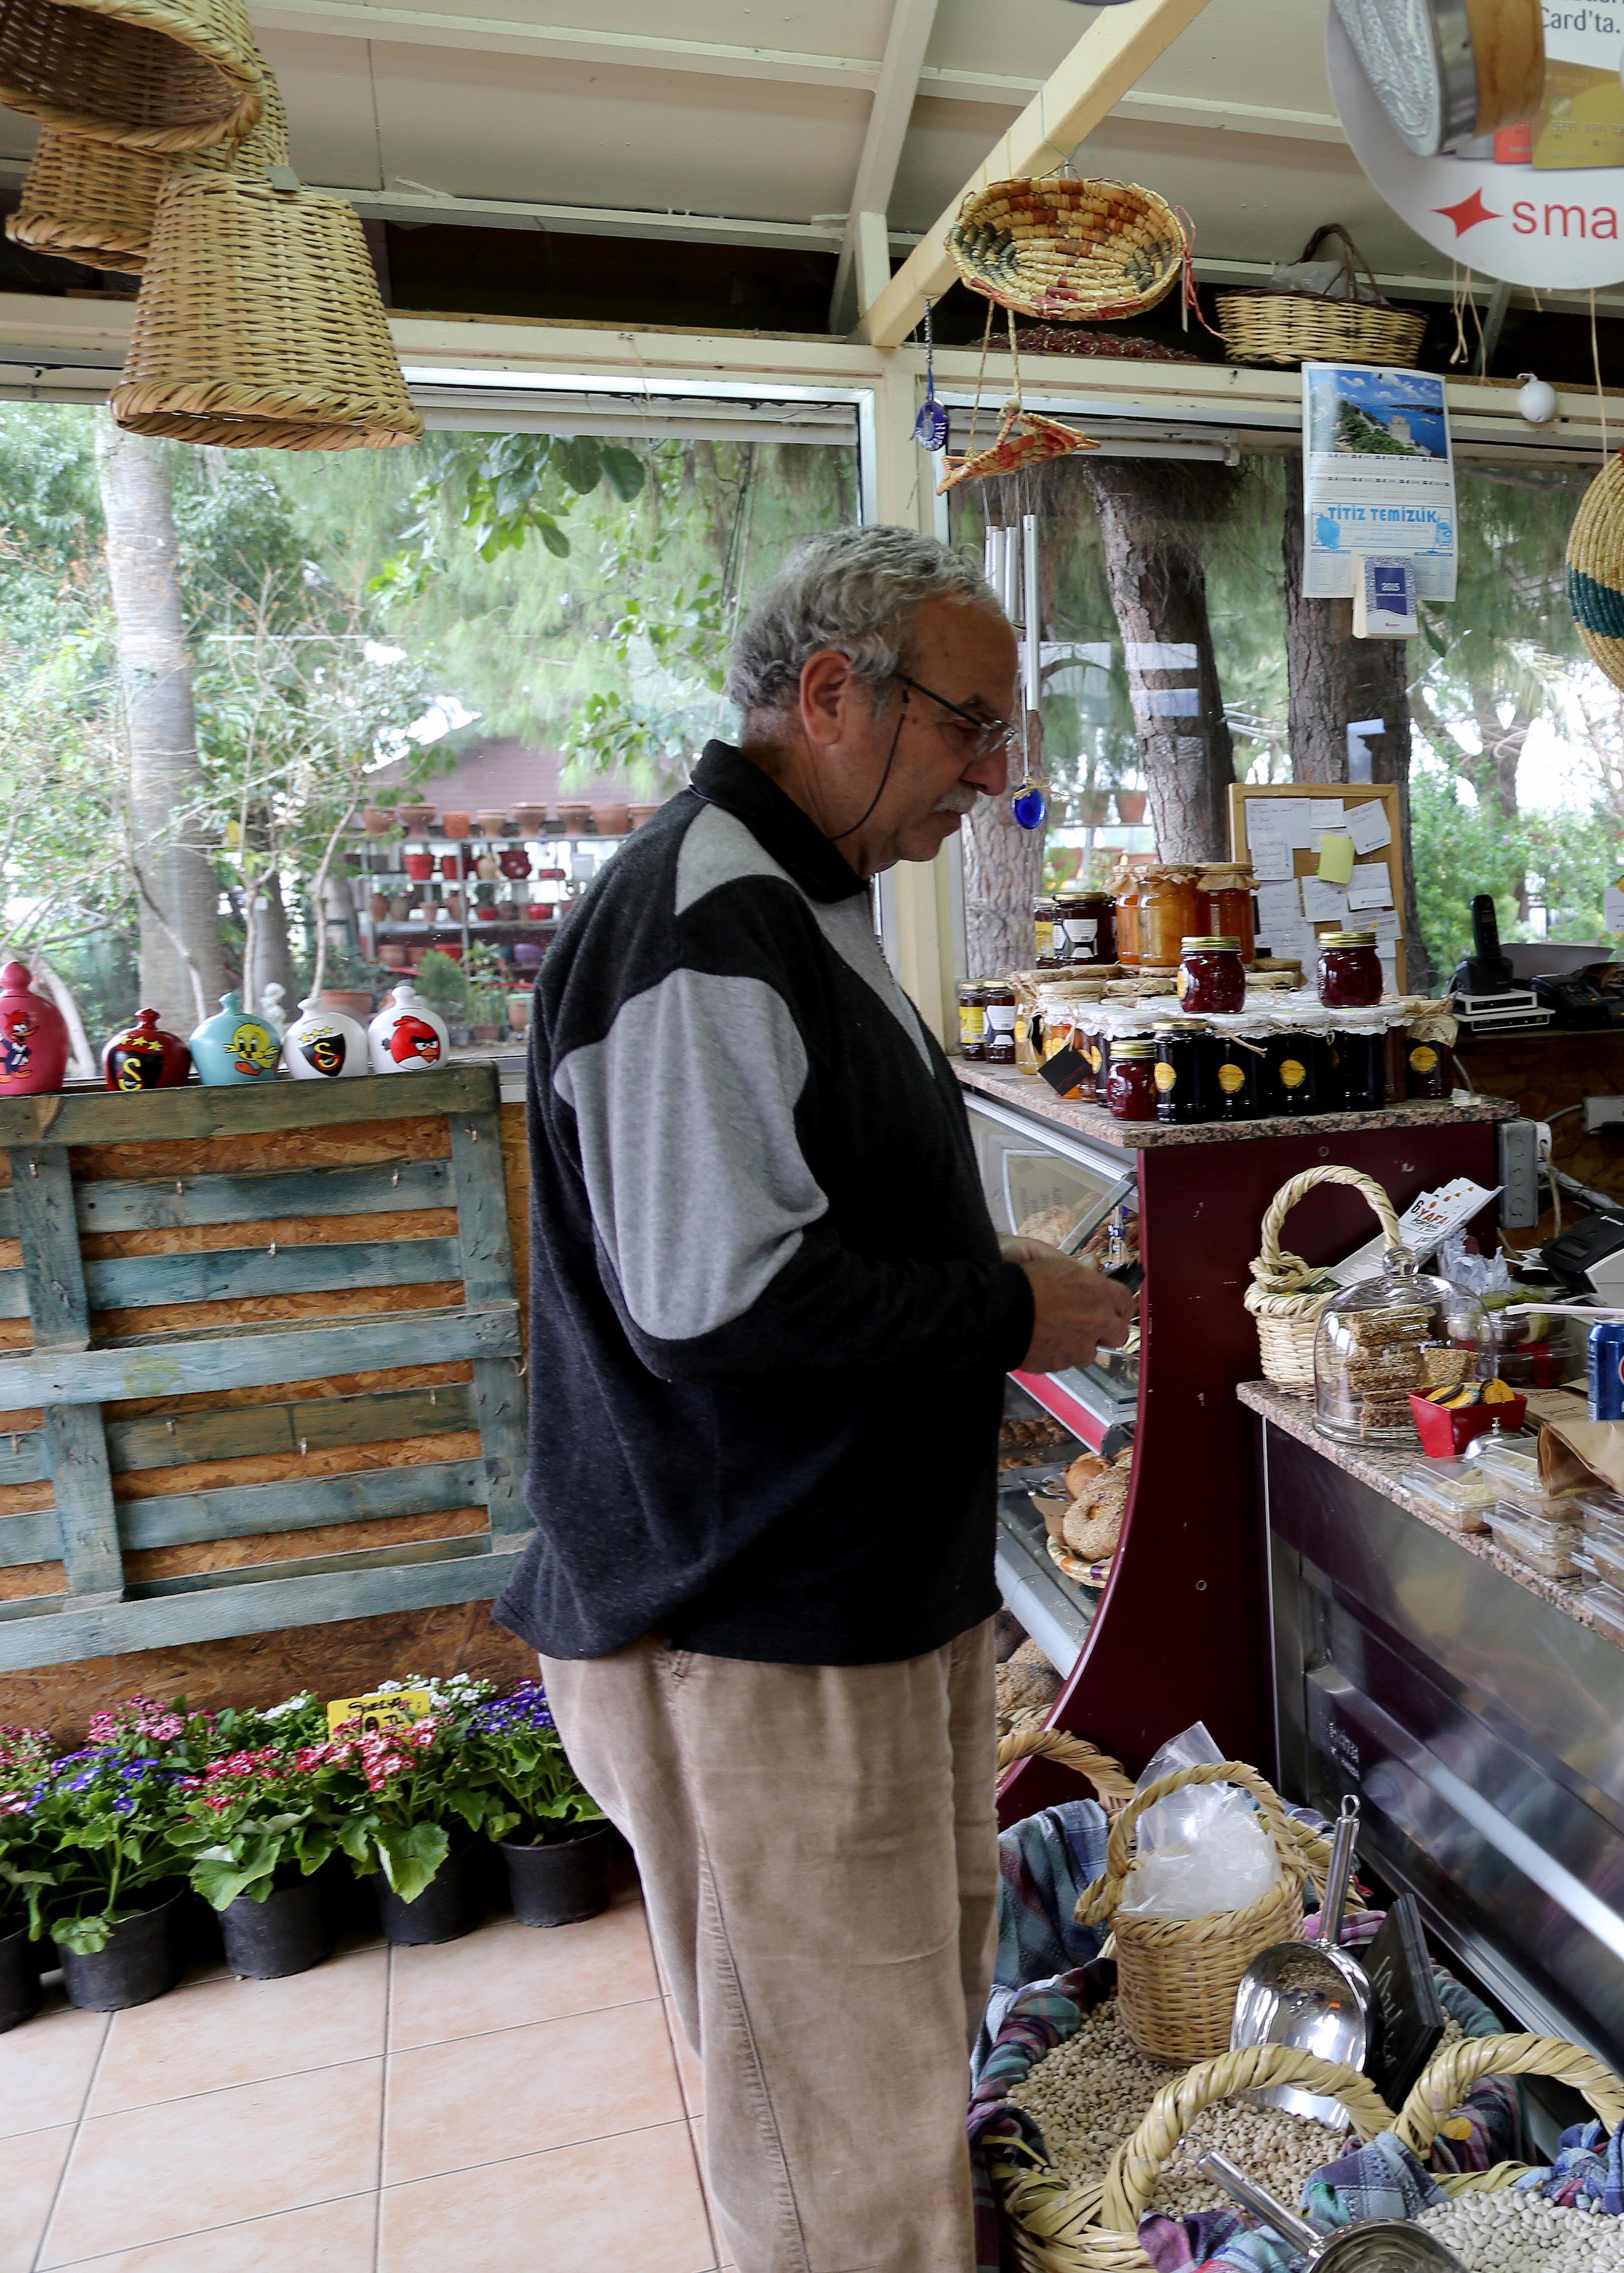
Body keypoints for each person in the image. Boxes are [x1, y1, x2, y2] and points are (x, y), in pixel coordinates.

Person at [499, 524, 1127, 2273]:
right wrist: (1006, 1303)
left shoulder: (790, 899)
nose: (991, 775)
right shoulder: (700, 922)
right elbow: (714, 1297)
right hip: (752, 1627)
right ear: (833, 693)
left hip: (840, 1608)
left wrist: (975, 1268)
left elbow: (788, 1226)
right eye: (968, 725)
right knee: (836, 2154)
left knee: (885, 2093)